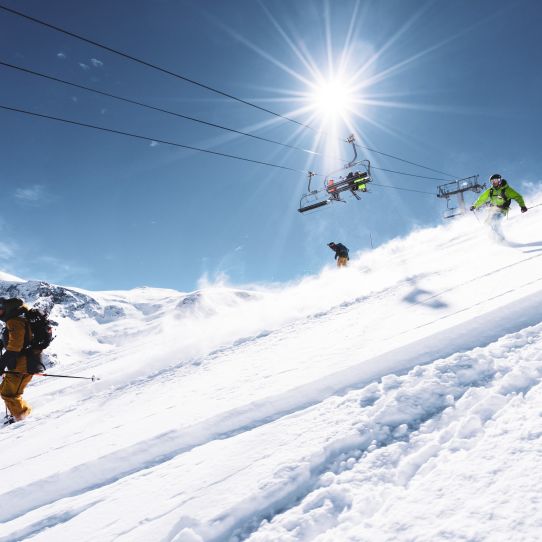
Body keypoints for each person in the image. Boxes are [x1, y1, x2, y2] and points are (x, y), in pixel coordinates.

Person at [0, 297, 34, 423]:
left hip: (22, 364)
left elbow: (15, 346)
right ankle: (20, 415)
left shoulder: (14, 320)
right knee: (6, 390)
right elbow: (19, 339)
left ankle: (23, 419)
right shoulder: (18, 318)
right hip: (23, 362)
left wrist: (1, 364)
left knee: (8, 393)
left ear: (6, 309)